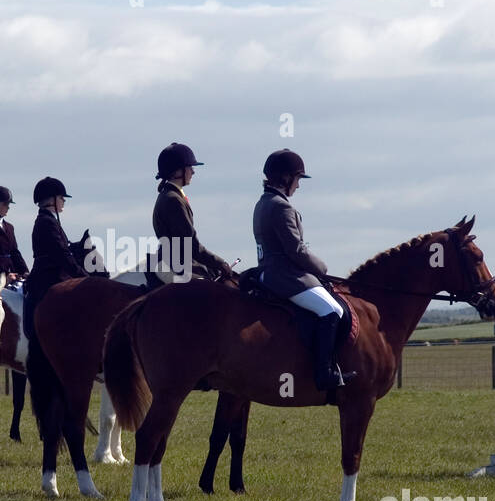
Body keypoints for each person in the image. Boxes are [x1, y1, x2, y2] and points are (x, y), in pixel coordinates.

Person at [252, 148, 354, 392]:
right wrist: (322, 268)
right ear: (286, 178)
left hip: (267, 272)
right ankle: (324, 373)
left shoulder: (263, 203)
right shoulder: (281, 207)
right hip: (286, 277)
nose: (298, 185)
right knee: (331, 310)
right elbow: (296, 250)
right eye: (297, 179)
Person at [149, 142, 234, 284]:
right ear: (177, 171)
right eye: (189, 167)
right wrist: (220, 263)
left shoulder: (169, 195)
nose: (193, 172)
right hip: (175, 265)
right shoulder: (173, 200)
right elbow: (191, 245)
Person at [23, 176, 87, 341]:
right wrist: (83, 277)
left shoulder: (50, 221)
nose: (64, 201)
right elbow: (62, 255)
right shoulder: (47, 222)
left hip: (54, 274)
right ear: (52, 200)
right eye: (61, 197)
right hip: (48, 277)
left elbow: (65, 250)